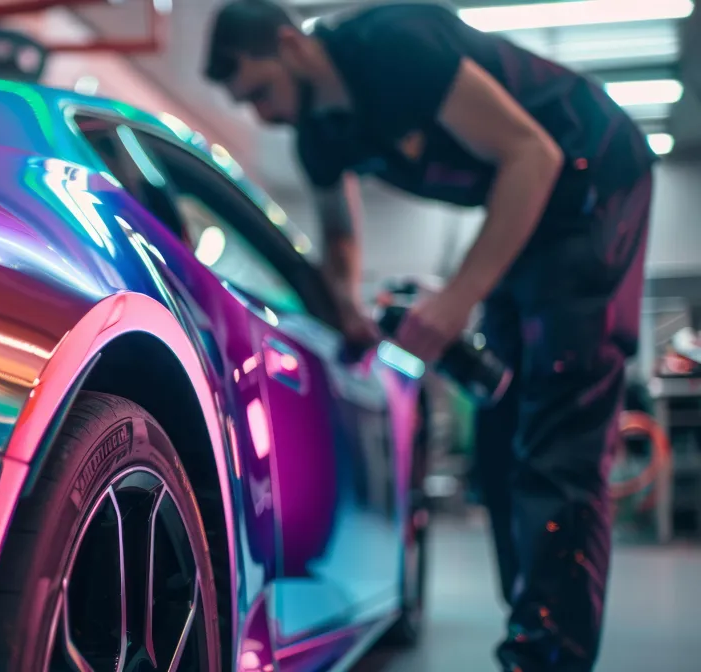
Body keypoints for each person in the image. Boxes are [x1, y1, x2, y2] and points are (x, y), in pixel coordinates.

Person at [203, 1, 656, 671]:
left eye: (260, 90)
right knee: (502, 431)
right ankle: (534, 623)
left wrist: (457, 301)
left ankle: (548, 658)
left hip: (595, 176)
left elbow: (533, 154)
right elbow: (340, 237)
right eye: (246, 103)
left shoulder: (393, 45)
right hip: (529, 216)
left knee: (562, 423)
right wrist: (347, 310)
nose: (261, 114)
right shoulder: (318, 138)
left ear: (290, 45)